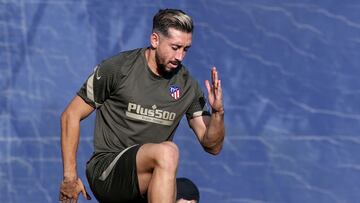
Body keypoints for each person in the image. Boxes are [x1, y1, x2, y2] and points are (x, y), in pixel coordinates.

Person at [59, 8, 225, 203]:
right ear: (155, 40)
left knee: (188, 195)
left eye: (185, 49)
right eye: (175, 47)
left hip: (144, 178)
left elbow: (212, 146)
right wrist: (70, 177)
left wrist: (217, 112)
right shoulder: (119, 68)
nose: (180, 56)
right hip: (107, 173)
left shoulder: (187, 84)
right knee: (168, 151)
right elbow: (70, 115)